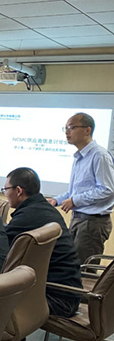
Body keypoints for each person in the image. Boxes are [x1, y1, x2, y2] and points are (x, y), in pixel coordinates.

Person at [2, 167, 83, 341]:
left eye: (5, 190)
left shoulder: (29, 216)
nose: (5, 194)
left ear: (18, 191)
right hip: (68, 291)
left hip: (58, 299)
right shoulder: (43, 209)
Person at [48, 113, 114, 264]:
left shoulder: (99, 155)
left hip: (92, 222)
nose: (67, 132)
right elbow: (75, 191)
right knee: (72, 266)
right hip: (79, 219)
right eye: (65, 128)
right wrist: (56, 200)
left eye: (71, 127)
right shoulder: (79, 157)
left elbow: (107, 189)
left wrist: (75, 200)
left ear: (87, 130)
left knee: (83, 269)